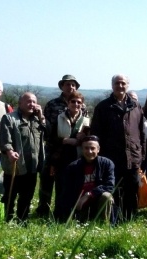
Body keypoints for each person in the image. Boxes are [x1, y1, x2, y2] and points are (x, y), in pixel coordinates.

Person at [90, 74, 145, 221]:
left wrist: (141, 155)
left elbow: (141, 133)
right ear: (112, 85)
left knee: (132, 189)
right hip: (111, 157)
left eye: (123, 83)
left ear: (127, 85)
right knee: (112, 189)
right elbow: (96, 134)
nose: (120, 86)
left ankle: (129, 219)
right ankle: (112, 219)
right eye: (117, 83)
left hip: (132, 157)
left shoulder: (136, 106)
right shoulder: (103, 107)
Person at [36, 75, 85, 218]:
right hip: (53, 149)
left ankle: (63, 210)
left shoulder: (83, 106)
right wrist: (62, 140)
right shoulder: (52, 104)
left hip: (74, 152)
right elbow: (46, 128)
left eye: (73, 85)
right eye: (67, 84)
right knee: (47, 180)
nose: (70, 87)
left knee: (65, 182)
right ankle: (43, 210)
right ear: (62, 86)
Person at [0, 92, 45, 222]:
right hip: (15, 165)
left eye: (34, 102)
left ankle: (22, 219)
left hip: (32, 166)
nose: (32, 104)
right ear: (20, 103)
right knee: (10, 195)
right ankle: (6, 218)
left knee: (27, 195)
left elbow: (47, 133)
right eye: (28, 101)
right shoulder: (9, 118)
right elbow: (4, 140)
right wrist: (9, 152)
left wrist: (41, 117)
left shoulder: (37, 120)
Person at [50, 91, 90, 220]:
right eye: (73, 101)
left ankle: (75, 215)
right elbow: (51, 139)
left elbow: (91, 141)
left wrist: (83, 138)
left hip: (79, 158)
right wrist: (65, 140)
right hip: (62, 159)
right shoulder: (59, 118)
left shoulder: (86, 121)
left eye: (79, 102)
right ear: (68, 103)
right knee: (61, 188)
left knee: (77, 188)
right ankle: (59, 216)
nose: (76, 104)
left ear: (82, 104)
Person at [61, 135, 115, 222]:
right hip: (80, 205)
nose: (89, 151)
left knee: (107, 196)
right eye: (86, 148)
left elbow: (109, 186)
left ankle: (104, 224)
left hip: (98, 202)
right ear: (82, 149)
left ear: (98, 149)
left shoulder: (107, 164)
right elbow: (67, 192)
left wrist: (89, 194)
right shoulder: (73, 167)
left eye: (92, 148)